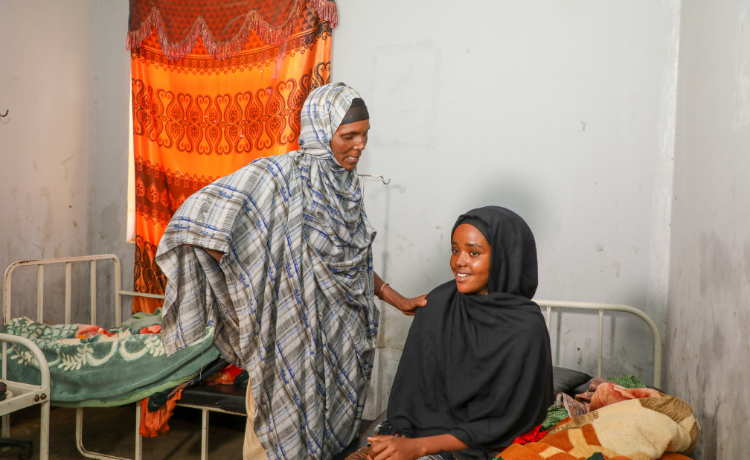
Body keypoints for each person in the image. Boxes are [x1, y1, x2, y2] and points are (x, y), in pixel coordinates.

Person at [155, 83, 426, 460]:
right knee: (276, 440)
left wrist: (395, 298)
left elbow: (350, 259)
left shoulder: (344, 187)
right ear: (320, 132)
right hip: (288, 340)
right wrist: (248, 281)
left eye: (365, 135)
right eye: (349, 136)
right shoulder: (278, 177)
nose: (360, 145)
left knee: (328, 437)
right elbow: (194, 221)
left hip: (339, 341)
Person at [364, 206, 554, 460]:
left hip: (482, 443)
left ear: (504, 258)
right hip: (422, 432)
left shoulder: (525, 327)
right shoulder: (439, 304)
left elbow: (504, 422)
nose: (459, 262)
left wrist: (420, 447)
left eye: (473, 252)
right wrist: (406, 441)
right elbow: (413, 396)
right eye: (455, 250)